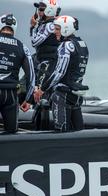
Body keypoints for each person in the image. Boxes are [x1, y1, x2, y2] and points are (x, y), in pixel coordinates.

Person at [35, 15, 89, 132]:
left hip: (62, 96)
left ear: (66, 28)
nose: (55, 32)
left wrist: (42, 89)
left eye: (58, 29)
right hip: (76, 96)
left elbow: (59, 72)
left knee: (61, 132)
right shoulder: (82, 44)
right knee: (79, 132)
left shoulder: (65, 45)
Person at [0, 14, 35, 133]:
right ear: (14, 28)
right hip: (11, 96)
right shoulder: (22, 47)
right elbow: (31, 75)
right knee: (12, 134)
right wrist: (29, 99)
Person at [30, 0, 61, 129]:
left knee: (41, 95)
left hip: (48, 64)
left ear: (49, 10)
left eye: (42, 9)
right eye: (39, 9)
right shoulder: (48, 24)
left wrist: (32, 27)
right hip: (45, 63)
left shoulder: (49, 26)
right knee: (41, 93)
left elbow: (34, 42)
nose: (39, 11)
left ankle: (43, 126)